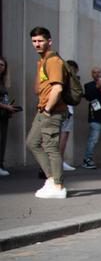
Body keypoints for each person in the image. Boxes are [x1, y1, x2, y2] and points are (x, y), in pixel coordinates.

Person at [25, 27, 69, 199]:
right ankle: (51, 179)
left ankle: (58, 186)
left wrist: (48, 110)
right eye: (34, 41)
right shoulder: (43, 61)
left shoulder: (53, 61)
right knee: (32, 142)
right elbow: (38, 88)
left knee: (51, 147)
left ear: (49, 41)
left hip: (52, 110)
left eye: (40, 41)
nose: (37, 44)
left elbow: (57, 88)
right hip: (43, 109)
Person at [0, 55, 20, 177]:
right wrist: (5, 106)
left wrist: (9, 107)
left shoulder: (3, 81)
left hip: (3, 114)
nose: (0, 67)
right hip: (3, 111)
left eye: (2, 65)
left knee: (2, 140)